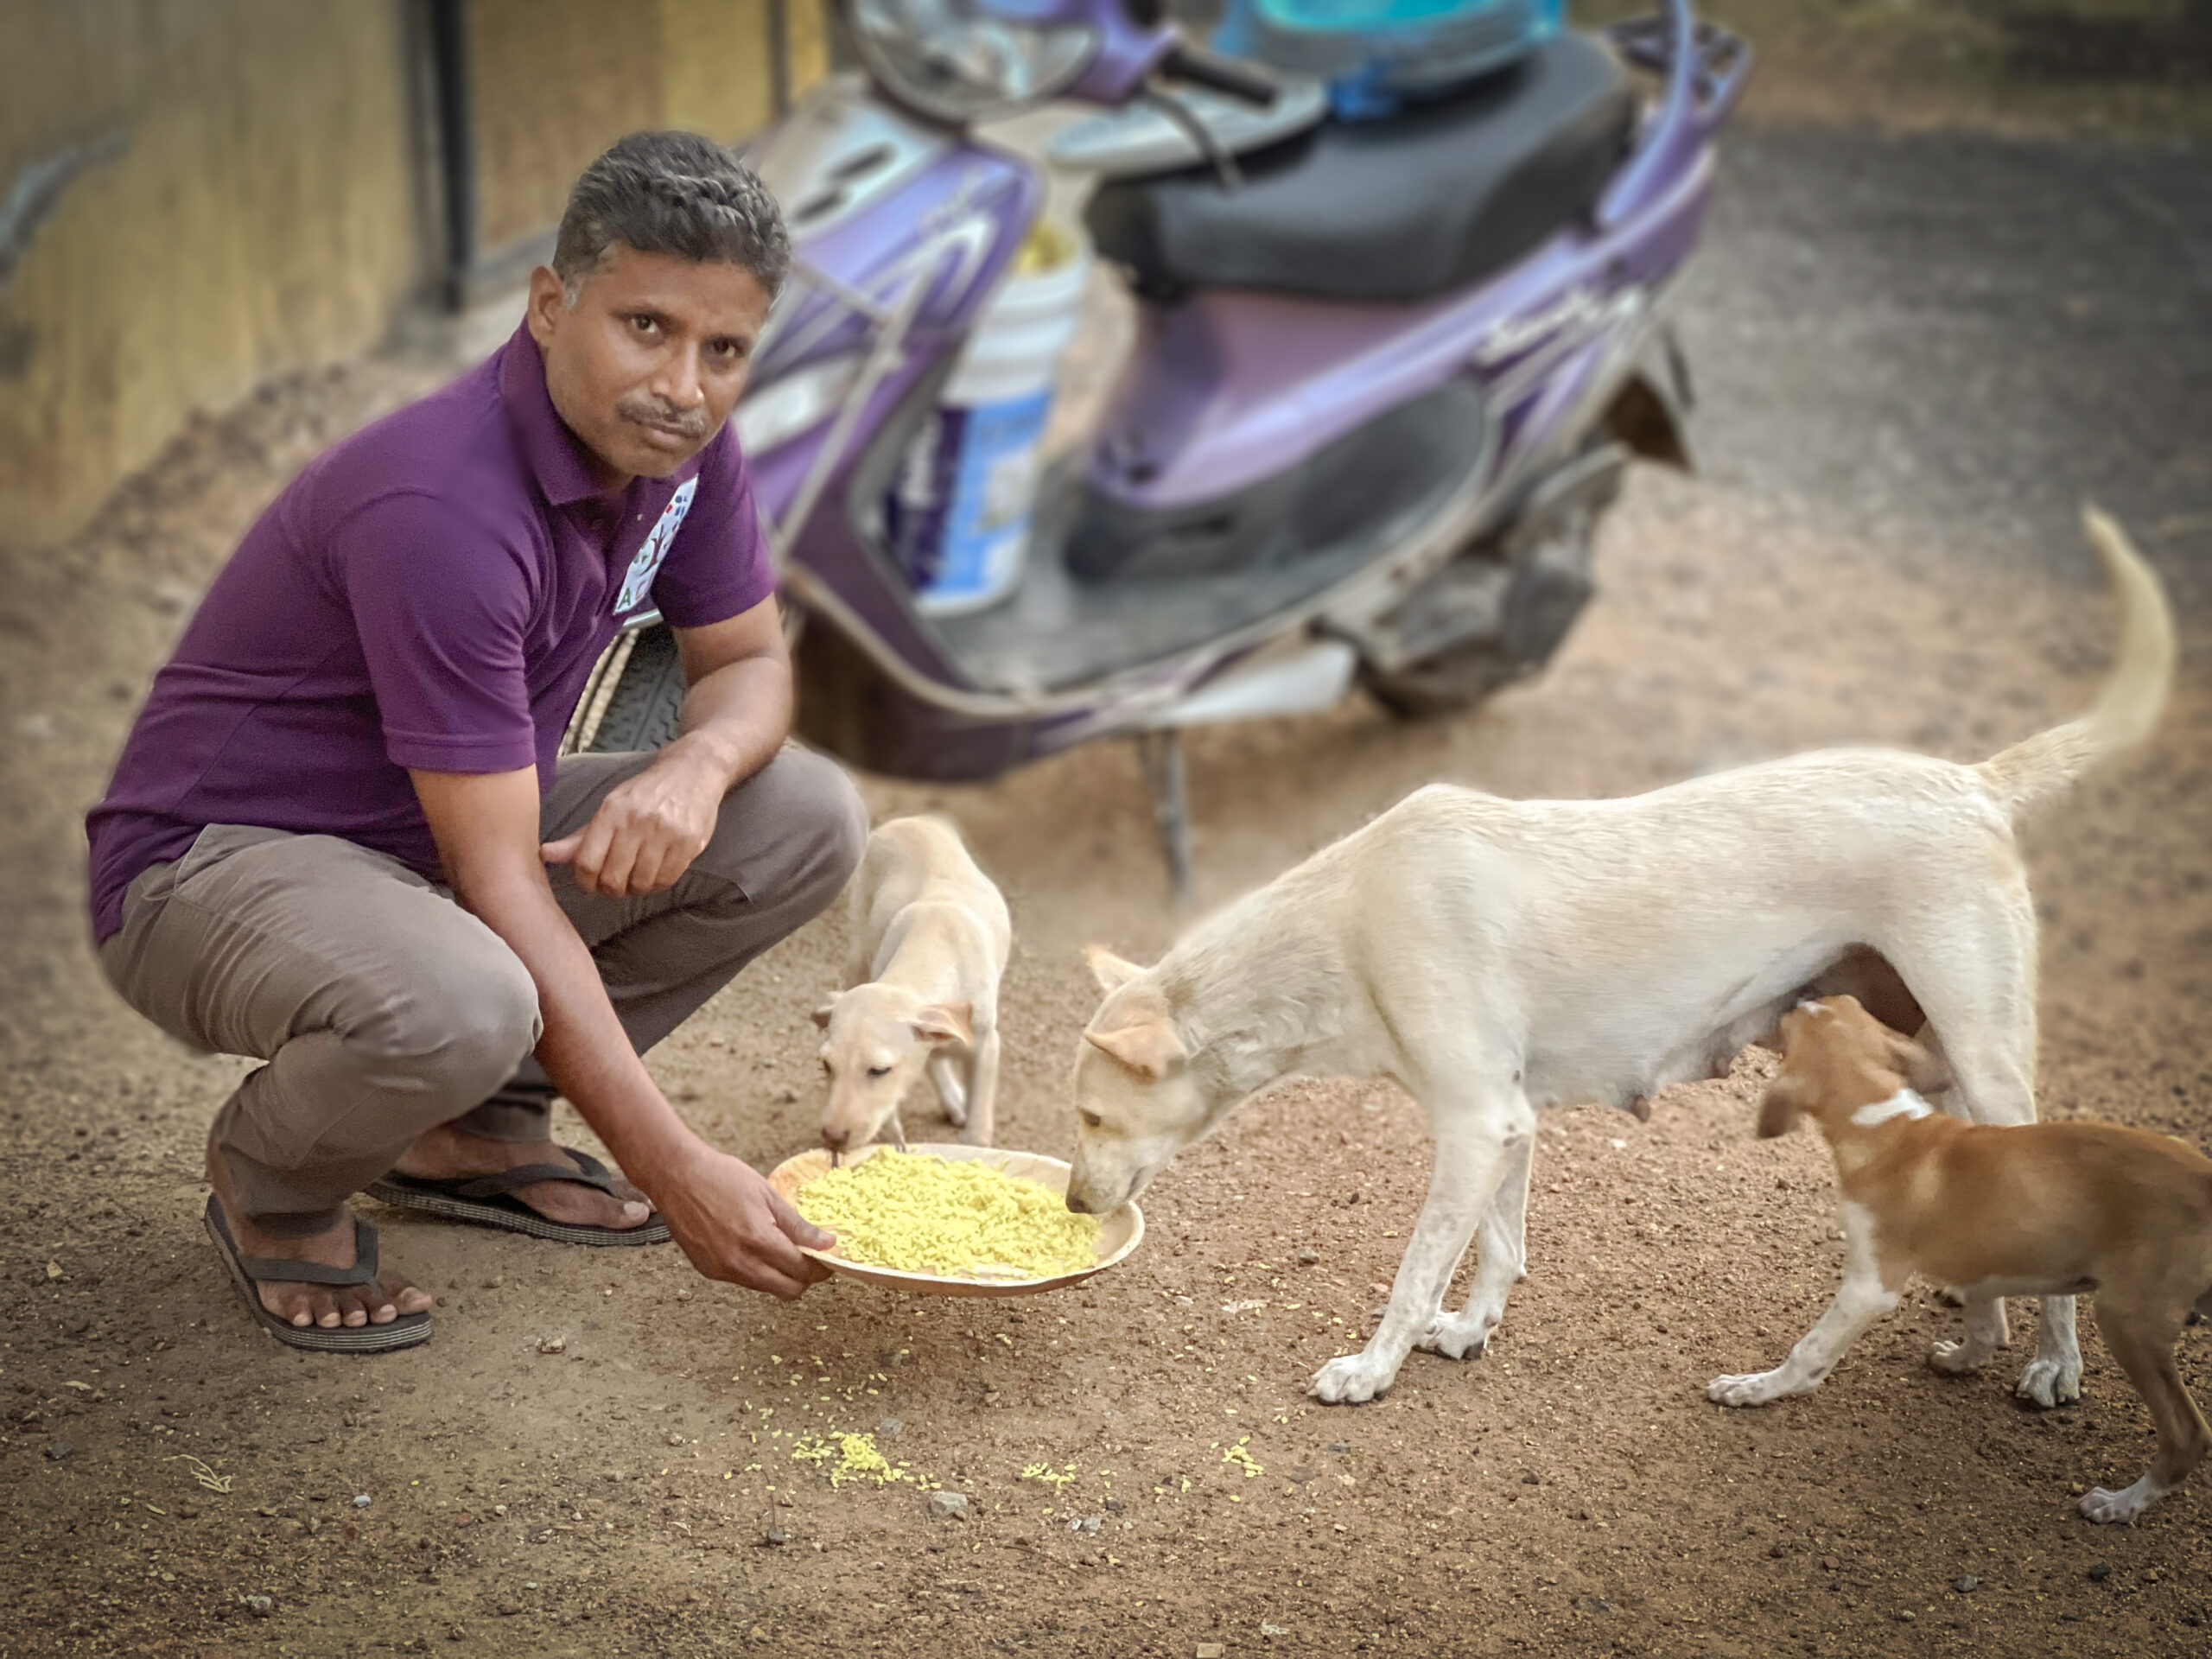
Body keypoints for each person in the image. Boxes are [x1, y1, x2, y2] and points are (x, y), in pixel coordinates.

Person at [84, 131, 861, 1352]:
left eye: (725, 350)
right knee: (462, 995)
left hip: (436, 838)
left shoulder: (684, 455)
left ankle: (476, 1133)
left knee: (804, 817)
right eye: (645, 326)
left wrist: (693, 771)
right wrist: (673, 1167)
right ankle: (273, 1184)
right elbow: (499, 882)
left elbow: (750, 664)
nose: (685, 384)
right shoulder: (442, 507)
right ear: (550, 305)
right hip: (212, 864)